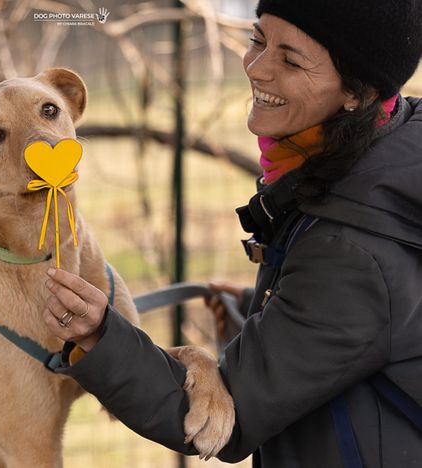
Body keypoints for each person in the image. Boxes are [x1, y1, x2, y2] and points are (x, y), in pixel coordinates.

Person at [41, 0, 422, 466]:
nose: (258, 69)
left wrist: (100, 334)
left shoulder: (350, 249)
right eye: (258, 40)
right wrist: (257, 308)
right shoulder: (387, 157)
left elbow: (227, 419)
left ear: (357, 91)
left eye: (291, 59)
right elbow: (375, 324)